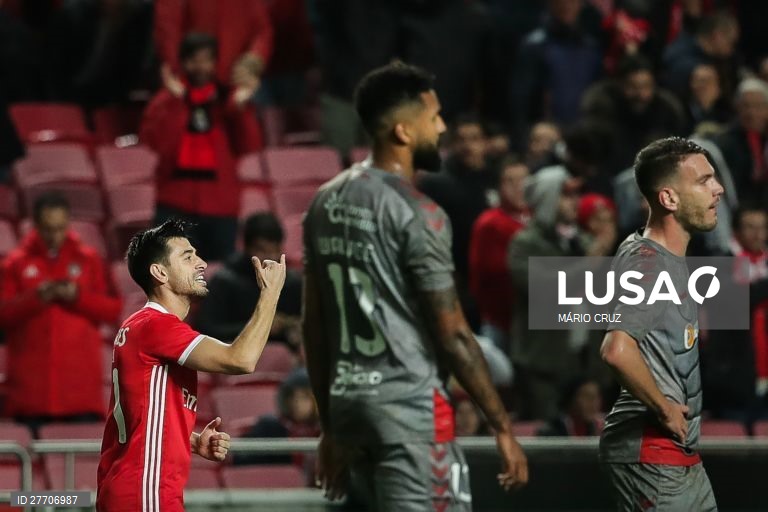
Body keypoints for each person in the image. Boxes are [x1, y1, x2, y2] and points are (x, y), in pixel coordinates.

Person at [302, 62, 528, 512]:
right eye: (435, 117)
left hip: (350, 408)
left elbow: (316, 325)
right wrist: (501, 425)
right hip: (408, 410)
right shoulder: (420, 213)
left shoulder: (325, 200)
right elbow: (454, 335)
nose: (442, 127)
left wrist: (329, 427)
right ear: (404, 132)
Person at [96, 220, 286, 511]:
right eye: (187, 257)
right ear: (159, 272)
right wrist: (270, 295)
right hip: (146, 491)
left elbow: (142, 410)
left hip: (136, 488)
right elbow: (241, 359)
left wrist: (190, 440)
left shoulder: (141, 325)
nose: (201, 263)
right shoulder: (156, 326)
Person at [600, 137, 724, 511]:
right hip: (653, 455)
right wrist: (665, 408)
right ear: (669, 199)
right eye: (703, 181)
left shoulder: (657, 256)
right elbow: (616, 351)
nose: (718, 189)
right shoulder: (650, 264)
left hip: (676, 456)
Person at [0, 193, 122, 433]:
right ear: (35, 226)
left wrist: (77, 297)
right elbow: (3, 314)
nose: (54, 236)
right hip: (30, 397)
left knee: (84, 470)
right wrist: (37, 298)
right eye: (47, 229)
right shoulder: (15, 264)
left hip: (79, 395)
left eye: (60, 228)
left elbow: (112, 309)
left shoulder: (89, 261)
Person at [139, 33, 263, 261]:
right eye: (195, 60)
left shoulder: (229, 100)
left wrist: (240, 108)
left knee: (218, 283)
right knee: (172, 281)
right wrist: (177, 101)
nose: (201, 66)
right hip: (175, 204)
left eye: (207, 60)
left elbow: (250, 145)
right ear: (184, 62)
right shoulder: (167, 99)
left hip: (221, 208)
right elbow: (157, 144)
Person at [508, 168, 615, 420]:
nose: (575, 201)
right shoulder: (525, 243)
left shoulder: (581, 241)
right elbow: (546, 288)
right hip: (543, 363)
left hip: (584, 361)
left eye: (577, 194)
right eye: (567, 195)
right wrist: (592, 259)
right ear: (548, 198)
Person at [196, 212, 303, 349]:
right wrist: (259, 326)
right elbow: (206, 330)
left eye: (274, 250)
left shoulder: (292, 283)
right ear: (246, 248)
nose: (269, 258)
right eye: (262, 250)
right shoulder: (224, 281)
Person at [468, 157, 530, 349]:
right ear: (499, 186)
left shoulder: (538, 217)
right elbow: (486, 273)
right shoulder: (489, 223)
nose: (518, 187)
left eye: (523, 180)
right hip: (500, 320)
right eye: (510, 181)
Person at [154, 0, 273, 90]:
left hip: (234, 84)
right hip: (192, 82)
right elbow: (167, 29)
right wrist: (177, 70)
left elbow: (261, 29)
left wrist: (252, 61)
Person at [234, 368, 320, 466]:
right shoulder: (269, 428)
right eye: (291, 397)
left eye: (304, 397)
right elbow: (244, 463)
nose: (296, 403)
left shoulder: (327, 431)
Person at [537, 377, 602, 437]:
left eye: (596, 397)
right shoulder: (551, 431)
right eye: (587, 396)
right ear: (571, 399)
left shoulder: (602, 430)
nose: (593, 402)